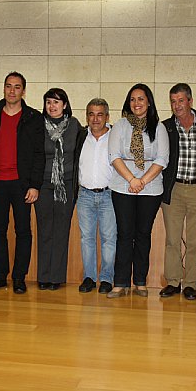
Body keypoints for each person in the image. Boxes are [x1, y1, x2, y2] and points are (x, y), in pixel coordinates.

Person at [0, 72, 45, 294]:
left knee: (23, 231)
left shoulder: (33, 118)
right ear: (4, 88)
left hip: (21, 184)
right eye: (8, 86)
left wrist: (35, 185)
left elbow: (39, 154)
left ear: (23, 91)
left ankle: (19, 277)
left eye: (17, 87)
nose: (12, 91)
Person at [106, 84, 169, 298]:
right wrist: (132, 179)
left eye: (141, 99)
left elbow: (162, 159)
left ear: (149, 102)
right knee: (124, 234)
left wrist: (142, 181)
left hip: (150, 188)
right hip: (122, 186)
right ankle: (120, 282)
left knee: (143, 234)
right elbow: (114, 156)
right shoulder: (120, 125)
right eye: (132, 99)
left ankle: (140, 281)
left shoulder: (158, 127)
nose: (136, 103)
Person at [160, 83, 196, 301]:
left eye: (181, 101)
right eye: (173, 101)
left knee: (195, 240)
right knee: (172, 239)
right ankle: (173, 281)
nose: (177, 106)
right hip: (173, 189)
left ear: (190, 101)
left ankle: (191, 283)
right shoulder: (165, 128)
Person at [35, 88, 83, 291]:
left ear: (64, 104)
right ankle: (43, 276)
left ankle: (56, 277)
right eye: (48, 102)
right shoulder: (38, 125)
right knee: (45, 230)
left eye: (56, 102)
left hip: (66, 185)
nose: (52, 106)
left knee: (61, 231)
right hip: (43, 185)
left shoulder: (74, 125)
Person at [77, 98, 116, 295]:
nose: (95, 119)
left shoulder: (115, 136)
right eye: (91, 114)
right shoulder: (81, 136)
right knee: (87, 238)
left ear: (107, 117)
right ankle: (89, 277)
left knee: (109, 238)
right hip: (84, 195)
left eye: (100, 114)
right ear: (87, 117)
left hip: (109, 195)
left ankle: (107, 278)